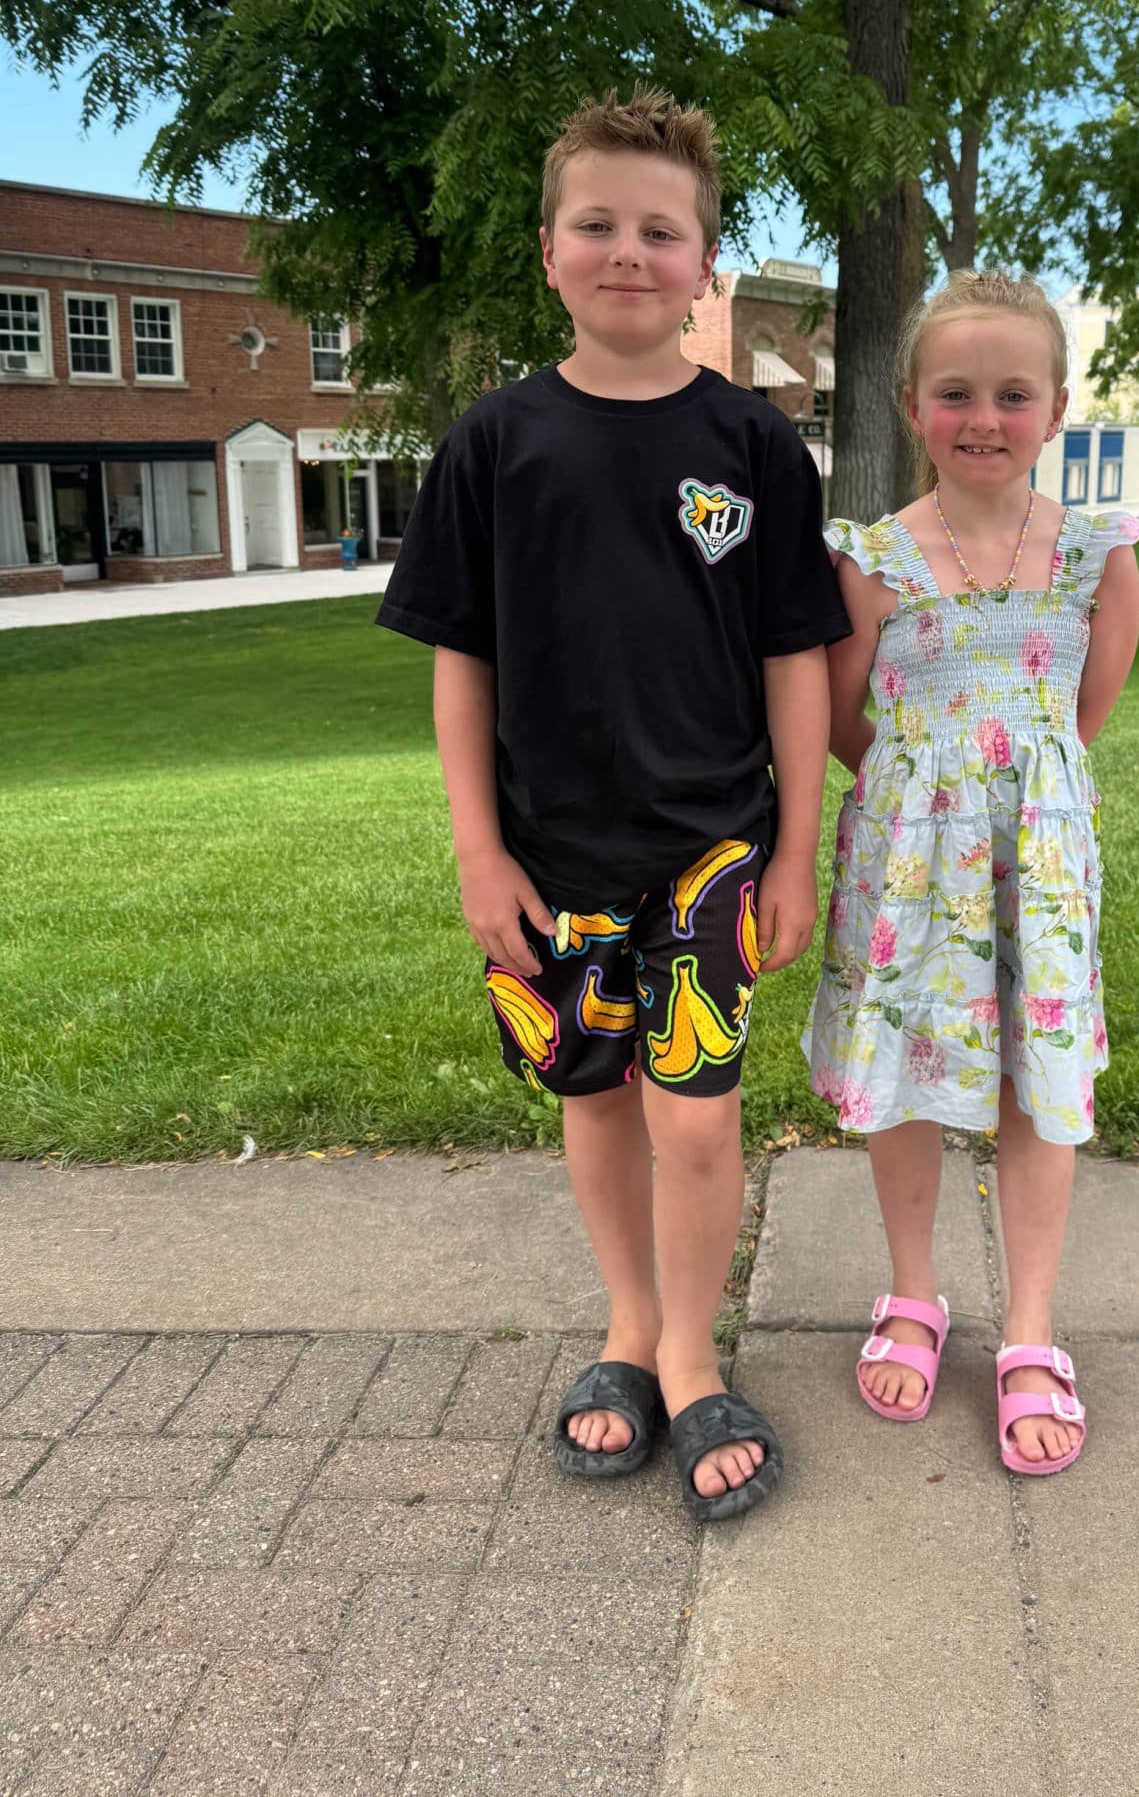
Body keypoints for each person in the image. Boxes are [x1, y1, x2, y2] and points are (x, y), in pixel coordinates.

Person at [377, 86, 847, 1522]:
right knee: (592, 1100)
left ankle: (694, 1351)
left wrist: (794, 853)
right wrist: (477, 851)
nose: (627, 251)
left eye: (660, 230)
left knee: (693, 1118)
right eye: (596, 225)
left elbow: (796, 658)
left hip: (711, 850)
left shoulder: (754, 445)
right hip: (549, 855)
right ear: (549, 252)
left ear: (705, 264)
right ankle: (627, 1330)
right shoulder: (492, 443)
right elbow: (461, 661)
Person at [804, 270, 1139, 1476]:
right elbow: (838, 716)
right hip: (905, 867)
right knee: (905, 1072)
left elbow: (1080, 716)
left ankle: (1032, 1327)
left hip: (1036, 867)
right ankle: (913, 1290)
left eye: (1013, 393)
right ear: (911, 405)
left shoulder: (1097, 557)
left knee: (1032, 1080)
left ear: (1056, 408)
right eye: (955, 392)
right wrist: (925, 795)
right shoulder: (873, 561)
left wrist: (1012, 798)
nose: (984, 417)